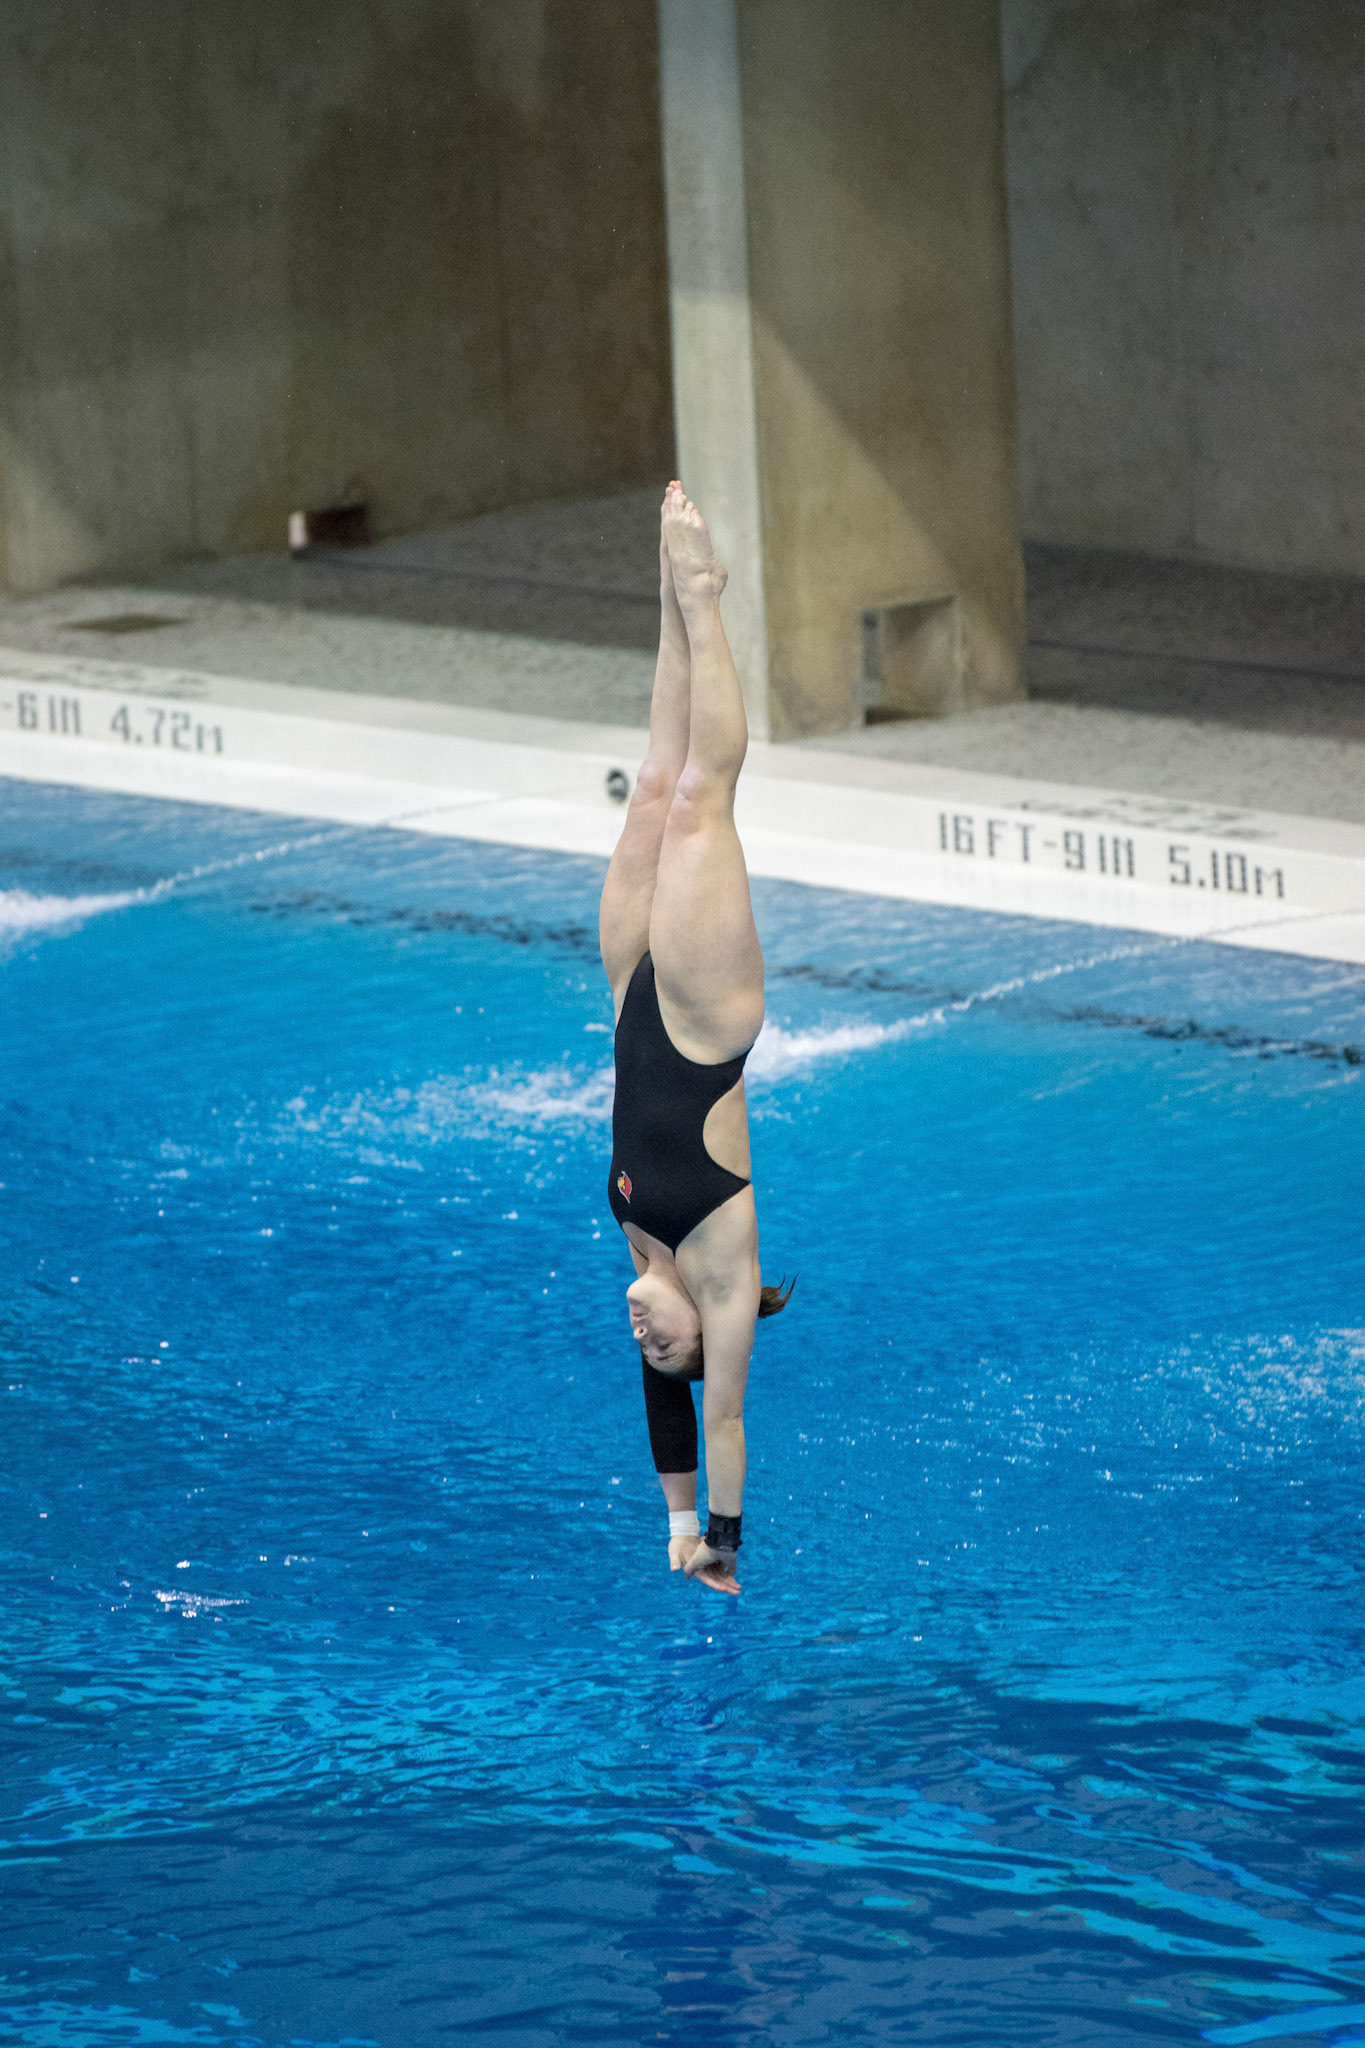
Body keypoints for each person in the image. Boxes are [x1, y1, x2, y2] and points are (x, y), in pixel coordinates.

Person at [599, 481, 792, 1598]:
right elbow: (716, 1410)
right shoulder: (719, 1273)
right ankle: (706, 597)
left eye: (644, 1341)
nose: (641, 1329)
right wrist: (718, 1538)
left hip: (632, 995)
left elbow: (662, 1400)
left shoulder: (642, 1259)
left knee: (649, 794)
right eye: (661, 1340)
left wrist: (669, 1521)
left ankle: (669, 606)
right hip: (707, 1020)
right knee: (703, 798)